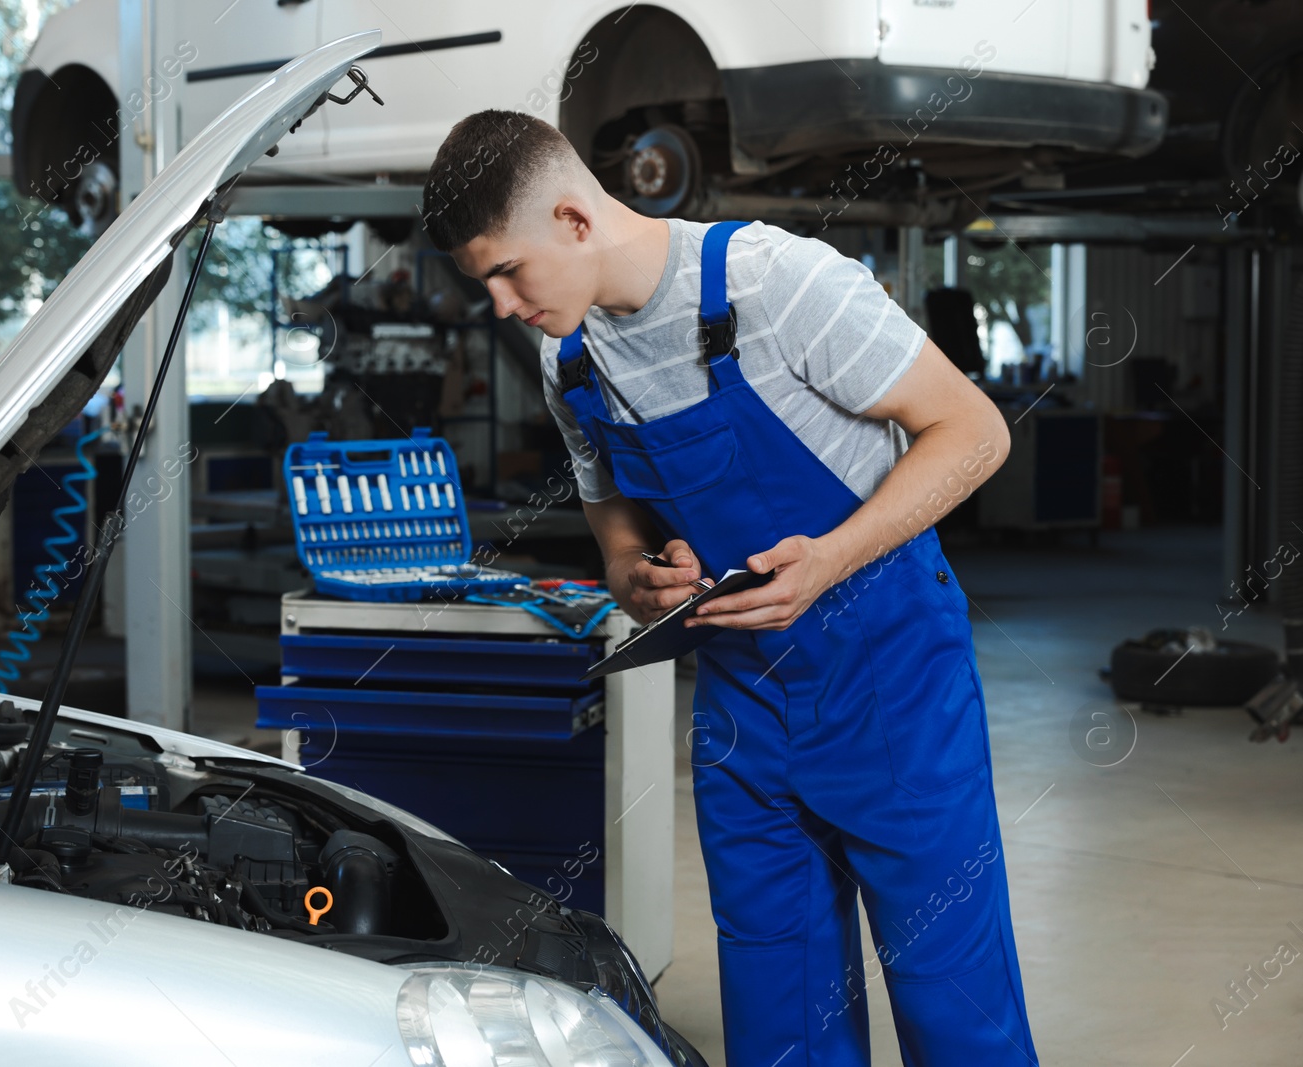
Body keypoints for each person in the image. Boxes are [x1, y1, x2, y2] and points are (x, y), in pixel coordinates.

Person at [421, 110, 1039, 1067]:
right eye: (484, 283)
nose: (500, 304)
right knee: (777, 1007)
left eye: (509, 271)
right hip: (744, 702)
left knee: (951, 993)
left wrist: (829, 557)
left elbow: (974, 433)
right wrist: (632, 572)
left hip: (893, 684)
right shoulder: (569, 358)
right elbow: (613, 516)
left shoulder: (774, 283)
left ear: (575, 220)